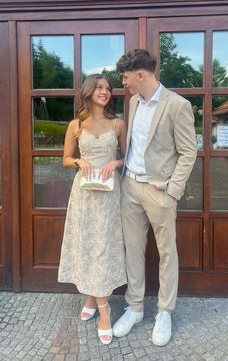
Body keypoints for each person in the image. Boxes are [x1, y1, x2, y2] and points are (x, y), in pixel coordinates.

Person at [112, 49, 197, 346]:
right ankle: (135, 307)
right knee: (132, 250)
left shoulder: (178, 105)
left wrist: (173, 190)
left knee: (167, 252)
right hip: (130, 189)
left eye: (125, 77)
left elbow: (188, 152)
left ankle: (164, 311)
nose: (123, 83)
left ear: (140, 74)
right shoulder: (133, 102)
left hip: (159, 191)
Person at [58, 74, 127, 345]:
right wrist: (77, 160)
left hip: (109, 193)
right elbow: (64, 159)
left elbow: (128, 156)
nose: (105, 92)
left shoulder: (118, 123)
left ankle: (103, 309)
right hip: (84, 194)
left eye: (108, 88)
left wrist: (115, 163)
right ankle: (95, 297)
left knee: (104, 245)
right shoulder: (75, 124)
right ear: (88, 91)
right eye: (99, 87)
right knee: (88, 244)